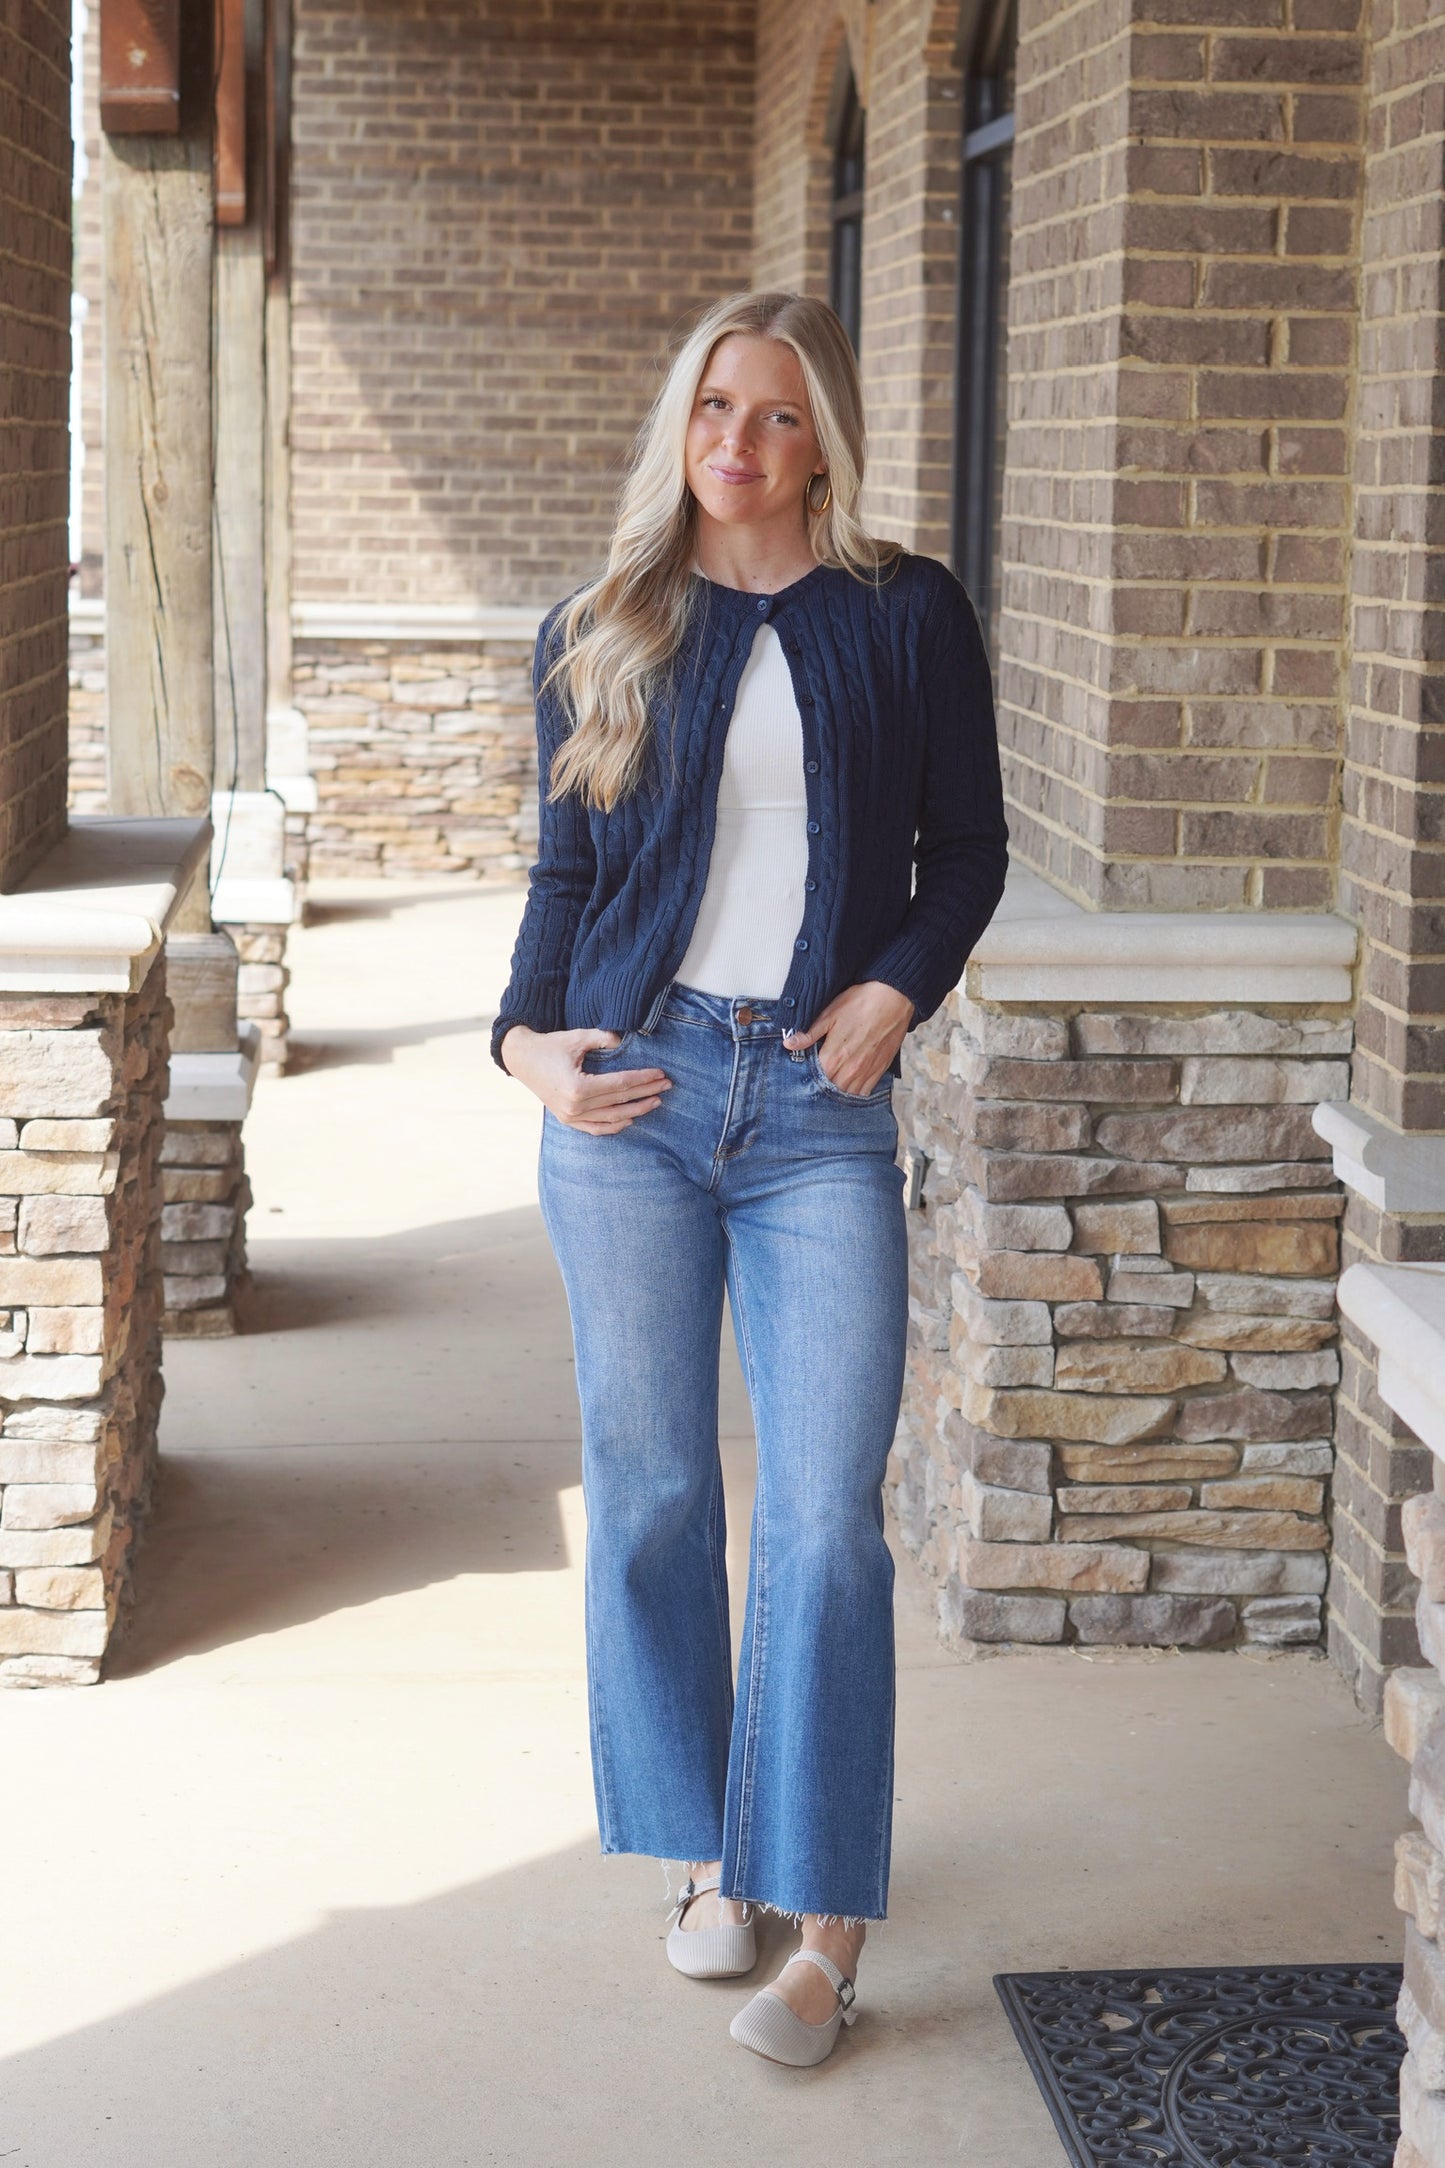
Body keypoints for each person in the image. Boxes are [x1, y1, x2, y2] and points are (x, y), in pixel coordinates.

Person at [492, 290, 1007, 2067]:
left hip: (807, 1112)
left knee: (819, 1519)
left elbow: (969, 849)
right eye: (717, 406)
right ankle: (707, 1861)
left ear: (824, 438)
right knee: (646, 1498)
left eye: (779, 415)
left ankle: (828, 1920)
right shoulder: (604, 621)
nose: (742, 442)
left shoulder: (903, 611)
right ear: (680, 421)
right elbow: (563, 889)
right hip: (629, 1096)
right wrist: (522, 1049)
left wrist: (891, 989)